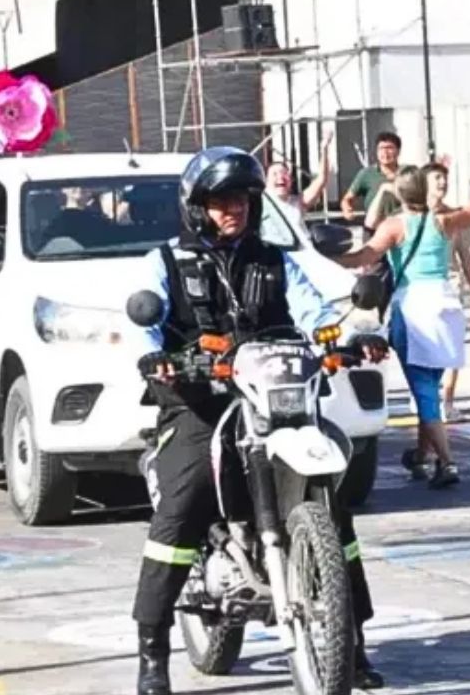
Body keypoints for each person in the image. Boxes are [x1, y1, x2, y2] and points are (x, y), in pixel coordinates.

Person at [129, 146, 388, 695]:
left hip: (274, 394)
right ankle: (152, 653)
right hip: (200, 399)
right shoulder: (165, 261)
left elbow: (317, 314)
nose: (235, 209)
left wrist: (350, 338)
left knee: (332, 509)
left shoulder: (275, 259)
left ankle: (352, 642)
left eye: (243, 199)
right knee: (185, 501)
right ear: (197, 207)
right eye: (222, 201)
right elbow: (143, 319)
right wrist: (155, 356)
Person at [337, 146, 470, 489]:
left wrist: (327, 259)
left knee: (424, 392)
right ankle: (421, 456)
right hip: (446, 307)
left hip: (413, 310)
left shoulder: (395, 226)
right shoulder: (444, 221)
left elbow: (364, 257)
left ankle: (448, 462)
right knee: (431, 387)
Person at [422, 160, 470, 422]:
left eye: (444, 178)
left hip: (450, 288)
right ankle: (425, 397)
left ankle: (447, 402)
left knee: (452, 346)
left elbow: (466, 258)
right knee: (425, 346)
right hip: (421, 290)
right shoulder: (411, 217)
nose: (442, 183)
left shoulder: (457, 218)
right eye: (436, 178)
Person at [265, 129, 333, 232]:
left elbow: (321, 179)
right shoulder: (259, 206)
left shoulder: (297, 203)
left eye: (284, 173)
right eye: (274, 174)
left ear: (291, 181)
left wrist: (324, 148)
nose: (280, 177)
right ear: (265, 181)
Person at [340, 131, 403, 236]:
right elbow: (347, 198)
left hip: (400, 230)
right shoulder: (366, 174)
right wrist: (346, 209)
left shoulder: (407, 173)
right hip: (373, 230)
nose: (385, 153)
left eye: (389, 148)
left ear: (398, 151)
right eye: (381, 149)